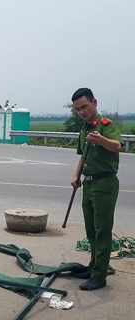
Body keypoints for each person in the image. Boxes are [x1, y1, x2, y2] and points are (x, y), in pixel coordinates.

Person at [69, 88, 123, 291]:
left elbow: (118, 146)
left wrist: (101, 139)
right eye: (78, 109)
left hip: (105, 184)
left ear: (94, 103)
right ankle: (94, 266)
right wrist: (76, 176)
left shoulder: (106, 125)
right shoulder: (84, 129)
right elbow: (83, 155)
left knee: (102, 231)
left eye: (84, 106)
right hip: (88, 183)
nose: (82, 111)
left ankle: (99, 276)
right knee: (91, 230)